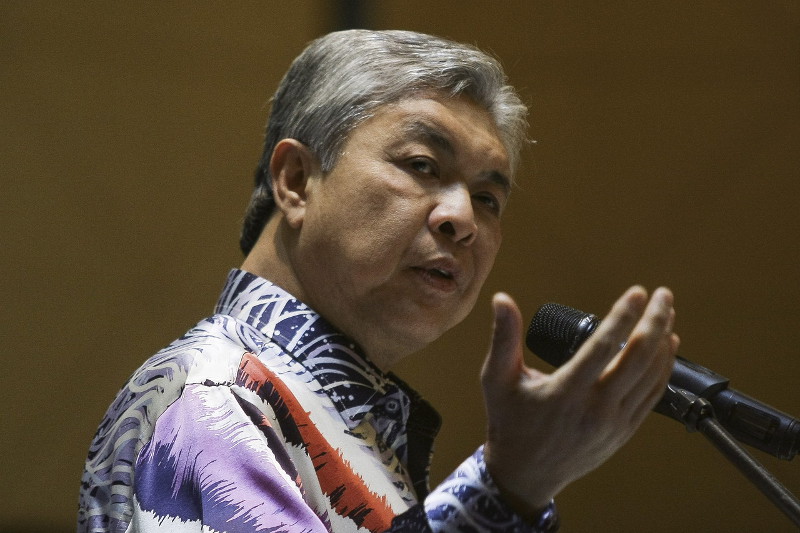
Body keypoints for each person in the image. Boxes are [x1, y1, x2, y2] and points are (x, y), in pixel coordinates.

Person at [78, 29, 679, 532]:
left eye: (488, 197)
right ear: (295, 180)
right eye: (422, 166)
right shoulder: (210, 397)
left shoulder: (348, 425)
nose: (463, 218)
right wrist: (504, 487)